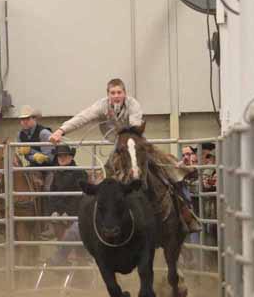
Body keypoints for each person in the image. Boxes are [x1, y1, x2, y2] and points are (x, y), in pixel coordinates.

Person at [49, 78, 201, 233]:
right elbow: (83, 117)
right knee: (106, 179)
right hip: (118, 146)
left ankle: (187, 212)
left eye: (119, 92)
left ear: (124, 94)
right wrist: (61, 131)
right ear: (108, 95)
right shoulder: (102, 106)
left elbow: (135, 128)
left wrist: (130, 142)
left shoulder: (133, 104)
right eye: (112, 93)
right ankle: (101, 220)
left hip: (135, 142)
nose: (116, 96)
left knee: (169, 167)